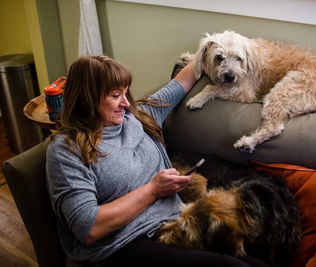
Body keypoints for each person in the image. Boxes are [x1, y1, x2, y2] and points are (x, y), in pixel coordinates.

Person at [46, 55, 268, 267]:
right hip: (123, 246)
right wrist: (153, 190)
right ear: (87, 99)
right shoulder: (66, 151)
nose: (125, 103)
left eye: (125, 92)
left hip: (175, 226)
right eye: (115, 96)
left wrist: (212, 48)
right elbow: (89, 228)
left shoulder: (140, 117)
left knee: (255, 262)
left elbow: (182, 81)